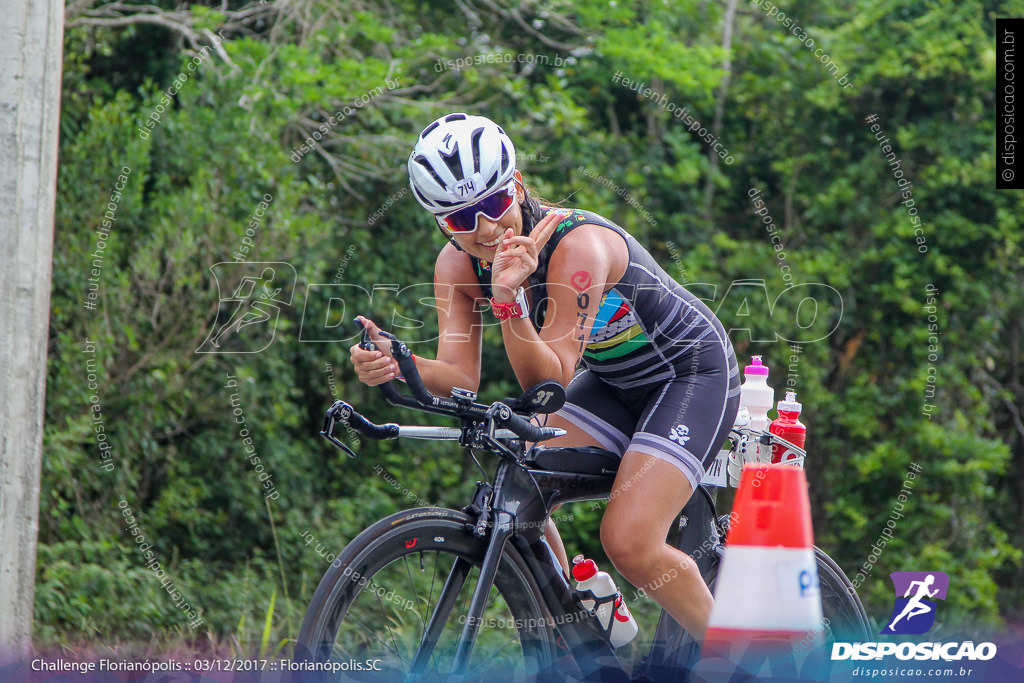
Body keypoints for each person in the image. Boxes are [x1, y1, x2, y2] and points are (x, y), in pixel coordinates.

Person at [349, 112, 739, 640]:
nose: (486, 229)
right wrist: (402, 363)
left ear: (519, 187)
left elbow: (548, 382)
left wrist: (508, 301)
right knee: (521, 482)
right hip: (615, 383)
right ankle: (585, 627)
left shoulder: (578, 247)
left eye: (493, 204)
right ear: (442, 225)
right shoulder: (458, 266)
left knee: (629, 541)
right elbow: (459, 373)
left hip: (690, 375)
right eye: (462, 220)